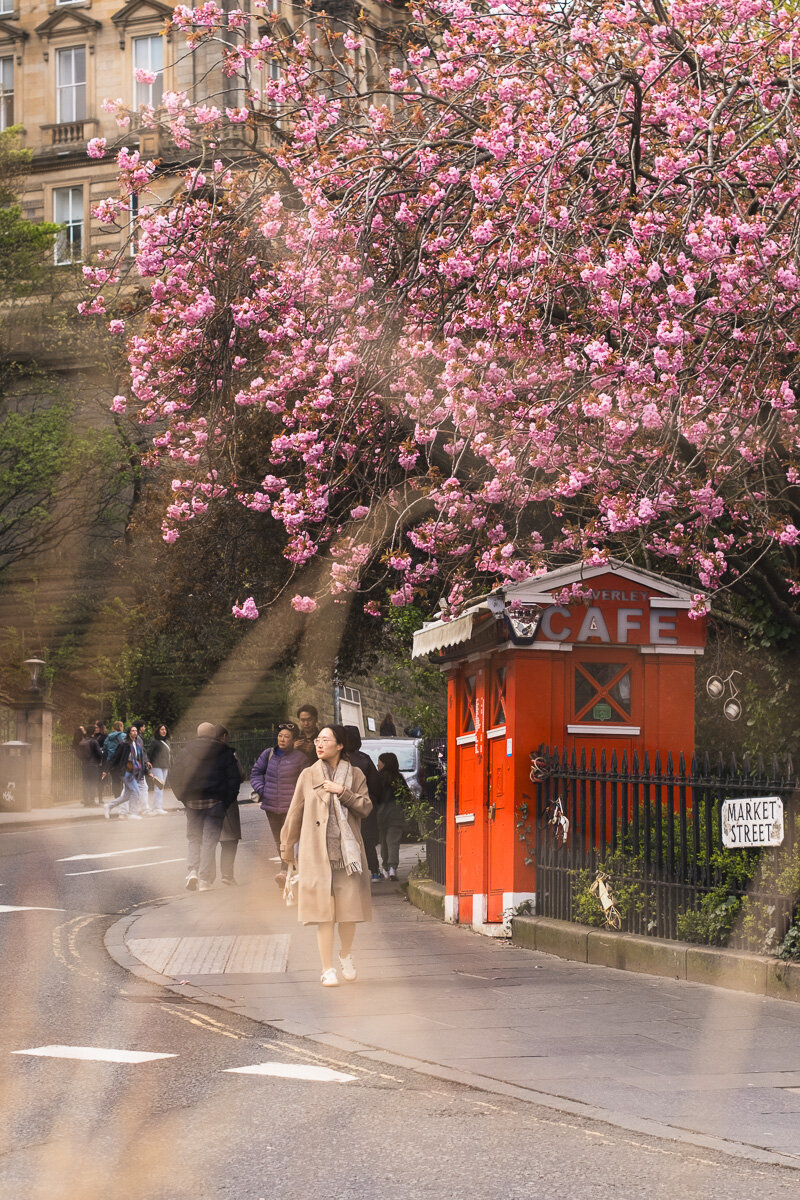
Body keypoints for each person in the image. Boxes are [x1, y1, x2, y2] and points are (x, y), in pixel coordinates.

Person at [280, 724, 372, 987]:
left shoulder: (355, 774)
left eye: (325, 740)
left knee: (349, 913)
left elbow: (366, 807)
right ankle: (327, 968)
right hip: (317, 856)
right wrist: (287, 848)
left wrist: (342, 792)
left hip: (347, 857)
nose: (319, 744)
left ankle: (345, 955)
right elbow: (295, 812)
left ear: (340, 745)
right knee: (324, 914)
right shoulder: (308, 775)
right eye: (317, 740)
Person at [170, 721, 242, 891]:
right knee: (210, 840)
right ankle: (204, 880)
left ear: (198, 733)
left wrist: (183, 798)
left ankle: (192, 871)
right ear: (213, 733)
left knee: (194, 838)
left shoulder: (185, 751)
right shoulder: (224, 752)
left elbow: (174, 776)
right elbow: (234, 779)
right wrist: (226, 801)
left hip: (192, 802)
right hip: (215, 802)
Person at [250, 722, 307, 888]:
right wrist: (262, 789)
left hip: (292, 807)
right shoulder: (268, 754)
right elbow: (256, 773)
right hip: (271, 806)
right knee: (278, 840)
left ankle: (287, 870)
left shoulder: (300, 758)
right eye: (280, 736)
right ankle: (287, 870)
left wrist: (298, 798)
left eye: (287, 737)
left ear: (294, 740)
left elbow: (306, 781)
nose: (282, 739)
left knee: (291, 839)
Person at [342, 726, 383, 882]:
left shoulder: (338, 758)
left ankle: (352, 871)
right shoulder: (364, 759)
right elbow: (376, 785)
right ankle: (374, 870)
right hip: (363, 805)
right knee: (366, 841)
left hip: (344, 804)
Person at [216, 726, 245, 885]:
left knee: (209, 841)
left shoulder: (201, 755)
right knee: (230, 840)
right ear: (224, 736)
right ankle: (227, 874)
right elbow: (240, 775)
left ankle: (205, 877)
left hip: (207, 803)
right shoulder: (229, 754)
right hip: (227, 801)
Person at [376, 752, 411, 881]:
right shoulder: (399, 778)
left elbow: (374, 796)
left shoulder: (378, 778)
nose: (377, 765)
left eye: (379, 763)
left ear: (384, 764)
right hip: (397, 815)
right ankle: (392, 868)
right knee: (393, 842)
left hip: (381, 815)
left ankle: (385, 867)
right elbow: (407, 796)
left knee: (383, 842)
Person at [104, 726, 145, 820]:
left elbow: (139, 759)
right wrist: (106, 770)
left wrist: (146, 769)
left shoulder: (137, 744)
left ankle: (109, 806)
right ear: (129, 733)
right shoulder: (124, 744)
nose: (135, 732)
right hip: (126, 771)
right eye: (132, 731)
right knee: (135, 791)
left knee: (126, 795)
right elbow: (115, 757)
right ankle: (132, 813)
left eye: (136, 731)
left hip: (133, 771)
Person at [101, 721, 127, 812]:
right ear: (121, 727)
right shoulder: (124, 736)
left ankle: (117, 798)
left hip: (112, 762)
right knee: (125, 781)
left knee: (115, 781)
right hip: (122, 761)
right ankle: (123, 801)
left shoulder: (108, 737)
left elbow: (104, 750)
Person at [75, 725, 103, 807]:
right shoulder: (94, 741)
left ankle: (86, 800)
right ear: (93, 732)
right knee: (93, 782)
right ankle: (92, 801)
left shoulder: (82, 742)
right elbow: (99, 754)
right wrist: (100, 755)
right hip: (93, 765)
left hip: (85, 764)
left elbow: (77, 753)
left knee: (86, 782)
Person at [147, 723, 171, 815]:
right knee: (159, 787)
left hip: (165, 766)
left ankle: (156, 807)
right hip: (156, 766)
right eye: (162, 729)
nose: (164, 731)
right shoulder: (155, 742)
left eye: (165, 729)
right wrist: (149, 763)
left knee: (161, 787)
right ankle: (157, 808)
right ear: (158, 731)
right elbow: (149, 753)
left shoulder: (167, 741)